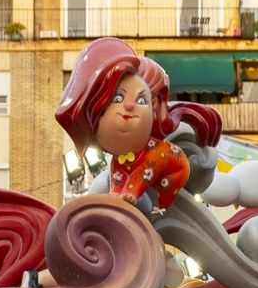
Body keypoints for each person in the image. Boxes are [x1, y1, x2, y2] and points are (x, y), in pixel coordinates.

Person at [54, 37, 221, 215]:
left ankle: (160, 206)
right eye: (117, 98)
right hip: (138, 180)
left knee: (162, 192)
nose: (128, 106)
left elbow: (142, 174)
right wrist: (115, 193)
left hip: (174, 171)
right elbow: (117, 175)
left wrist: (131, 192)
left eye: (141, 100)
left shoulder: (154, 152)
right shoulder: (119, 158)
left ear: (153, 105)